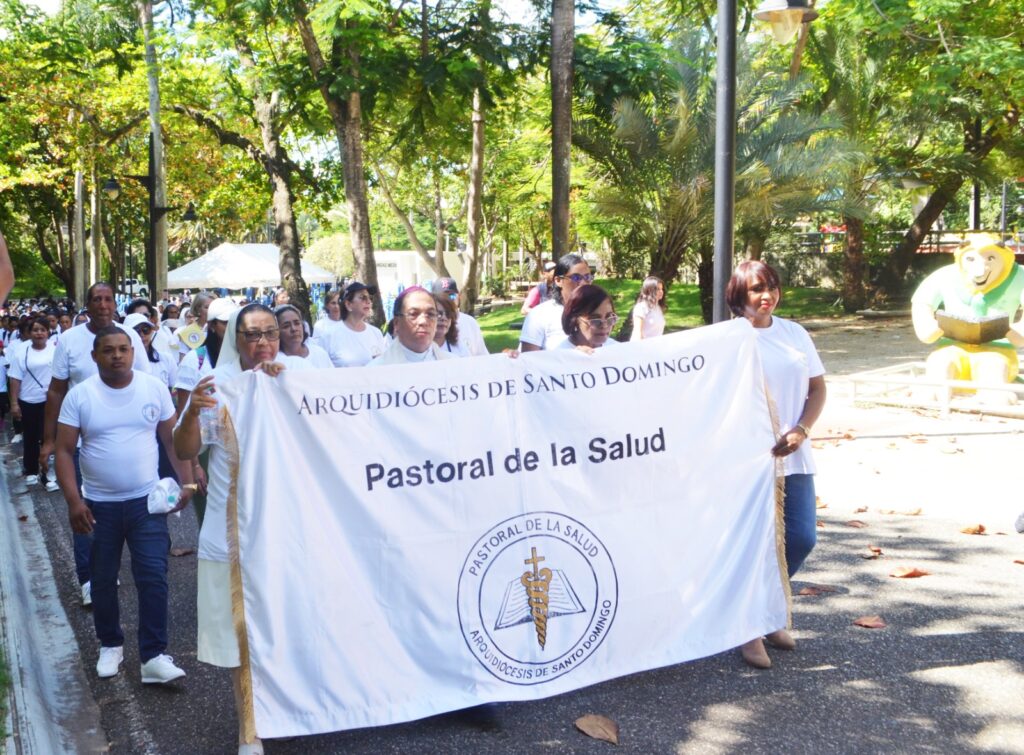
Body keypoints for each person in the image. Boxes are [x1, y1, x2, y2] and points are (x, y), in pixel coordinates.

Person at [173, 303, 292, 755]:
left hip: (288, 529)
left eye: (270, 333)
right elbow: (186, 445)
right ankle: (249, 728)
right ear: (235, 341)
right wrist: (189, 414)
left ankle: (290, 711)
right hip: (232, 533)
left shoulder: (298, 380)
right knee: (241, 637)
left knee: (285, 628)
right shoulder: (217, 391)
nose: (263, 343)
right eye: (252, 335)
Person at [54, 326, 193, 683]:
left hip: (146, 504)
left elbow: (172, 438)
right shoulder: (80, 396)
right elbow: (65, 451)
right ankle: (110, 645)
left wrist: (188, 479)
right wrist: (74, 500)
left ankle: (153, 656)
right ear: (95, 356)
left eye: (123, 349)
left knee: (153, 578)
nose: (117, 355)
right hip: (98, 506)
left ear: (133, 352)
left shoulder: (153, 388)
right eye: (108, 350)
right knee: (102, 580)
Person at [725, 260, 826, 670]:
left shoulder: (794, 333)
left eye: (771, 287)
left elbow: (817, 388)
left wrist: (802, 428)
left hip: (795, 455)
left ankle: (769, 611)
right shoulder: (726, 339)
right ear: (738, 295)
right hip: (747, 462)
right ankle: (749, 628)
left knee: (801, 538)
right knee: (754, 545)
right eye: (755, 289)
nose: (766, 296)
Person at [40, 282, 149, 607]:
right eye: (96, 299)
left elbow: (148, 385)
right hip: (78, 438)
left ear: (115, 304)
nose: (102, 305)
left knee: (124, 508)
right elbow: (56, 391)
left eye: (108, 299)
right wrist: (48, 440)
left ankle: (109, 566)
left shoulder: (129, 340)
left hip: (124, 439)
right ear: (86, 305)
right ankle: (89, 578)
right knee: (83, 508)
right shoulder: (70, 341)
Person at [173, 297, 236, 529]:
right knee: (210, 519)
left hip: (236, 445)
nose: (229, 329)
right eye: (223, 323)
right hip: (203, 448)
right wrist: (195, 466)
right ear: (211, 325)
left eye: (234, 323)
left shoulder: (245, 359)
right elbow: (183, 415)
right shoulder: (195, 360)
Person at [8, 316, 58, 491]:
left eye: (42, 330)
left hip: (50, 401)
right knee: (30, 437)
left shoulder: (55, 349)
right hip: (28, 400)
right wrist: (14, 404)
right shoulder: (22, 351)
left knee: (48, 438)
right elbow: (15, 378)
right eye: (35, 330)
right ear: (30, 333)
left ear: (48, 332)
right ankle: (31, 470)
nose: (39, 333)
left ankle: (47, 475)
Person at [519, 254, 593, 352]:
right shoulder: (539, 315)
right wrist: (572, 356)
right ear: (558, 280)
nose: (583, 283)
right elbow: (529, 360)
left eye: (587, 277)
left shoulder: (597, 311)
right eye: (576, 278)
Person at [372, 287, 452, 365]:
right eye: (413, 314)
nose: (423, 321)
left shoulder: (453, 364)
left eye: (430, 314)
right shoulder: (376, 370)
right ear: (396, 323)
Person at [325, 281, 385, 367]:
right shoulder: (329, 335)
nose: (368, 301)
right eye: (363, 297)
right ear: (348, 304)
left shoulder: (376, 333)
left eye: (370, 298)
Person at [430, 277, 488, 356]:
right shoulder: (427, 327)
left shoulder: (470, 322)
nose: (448, 300)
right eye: (442, 296)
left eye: (451, 296)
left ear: (459, 296)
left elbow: (482, 356)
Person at [557, 285, 620, 352]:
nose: (604, 326)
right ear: (575, 320)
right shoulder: (560, 356)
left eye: (609, 318)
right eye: (595, 320)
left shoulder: (617, 350)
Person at [177, 292, 217, 358]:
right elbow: (183, 359)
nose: (211, 310)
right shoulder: (187, 332)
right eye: (207, 307)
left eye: (214, 307)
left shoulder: (221, 329)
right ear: (197, 309)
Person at [629, 276, 667, 341]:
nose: (661, 292)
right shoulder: (641, 307)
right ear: (649, 290)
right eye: (658, 289)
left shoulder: (658, 307)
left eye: (662, 289)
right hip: (641, 347)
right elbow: (637, 332)